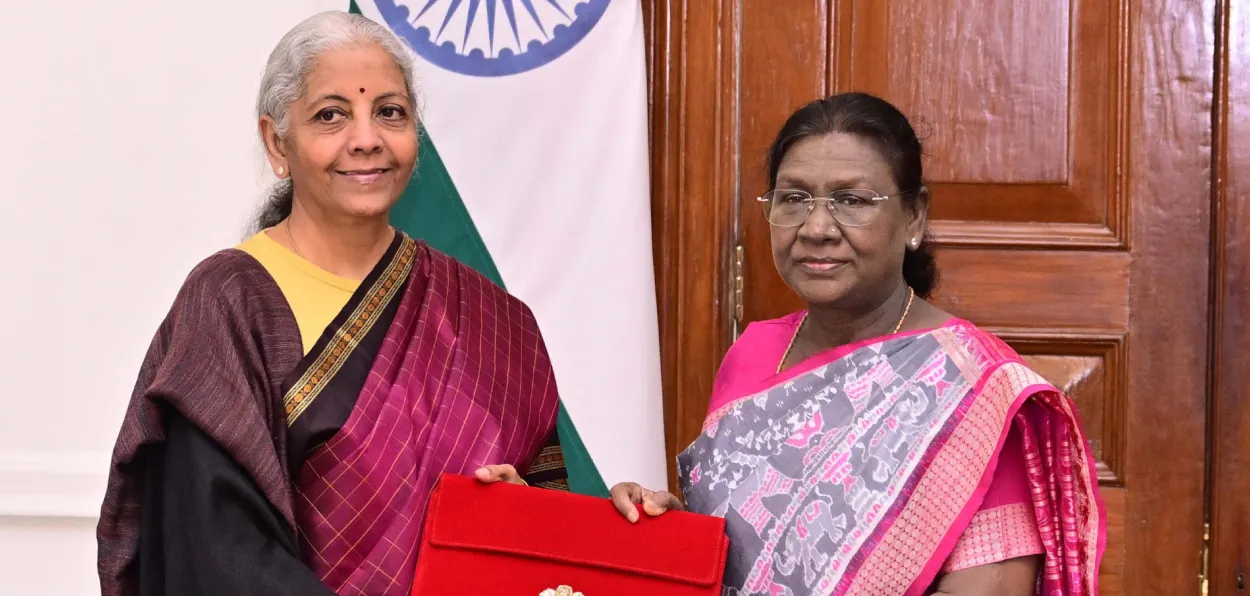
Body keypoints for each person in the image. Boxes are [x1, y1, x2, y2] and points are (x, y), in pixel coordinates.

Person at [96, 11, 571, 596]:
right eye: (331, 115)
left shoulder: (498, 322)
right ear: (277, 142)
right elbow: (215, 554)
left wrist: (603, 528)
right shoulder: (231, 303)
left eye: (390, 112)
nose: (367, 138)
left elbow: (550, 550)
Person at [610, 93, 1105, 595]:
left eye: (852, 201)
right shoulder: (753, 353)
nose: (817, 228)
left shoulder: (976, 393)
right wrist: (668, 534)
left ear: (914, 217)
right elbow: (735, 560)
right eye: (794, 198)